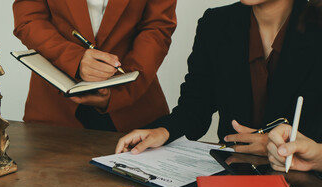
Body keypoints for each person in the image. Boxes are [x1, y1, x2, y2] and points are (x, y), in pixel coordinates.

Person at [116, 0, 322, 155]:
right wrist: (163, 131)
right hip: (231, 175)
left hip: (304, 183)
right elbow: (196, 106)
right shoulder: (216, 23)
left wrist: (276, 145)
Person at [12, 0, 177, 132]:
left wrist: (121, 91)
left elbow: (157, 28)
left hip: (133, 108)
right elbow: (28, 19)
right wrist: (74, 59)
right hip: (55, 107)